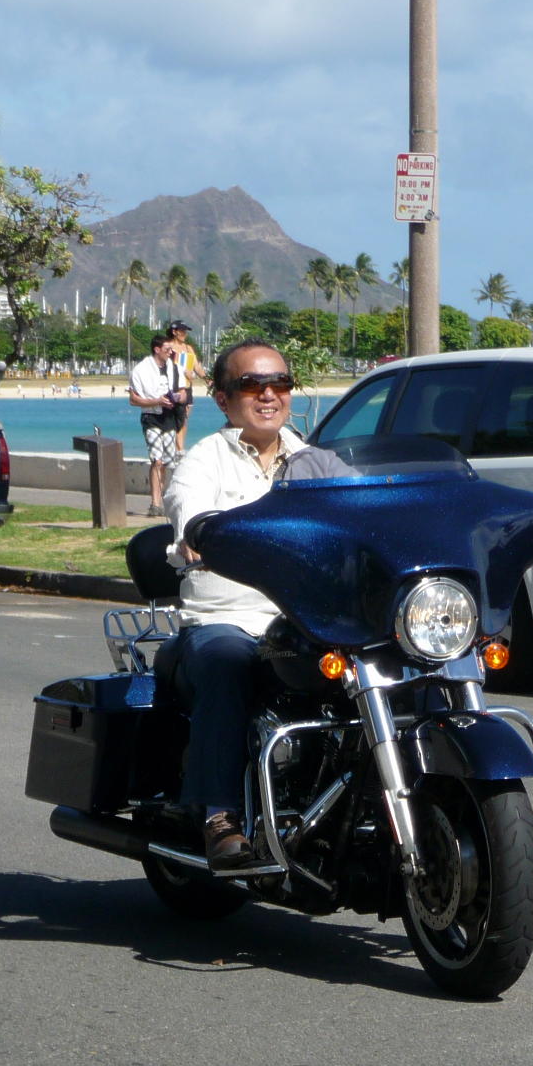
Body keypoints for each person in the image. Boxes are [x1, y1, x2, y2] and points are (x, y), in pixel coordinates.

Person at [156, 338, 311, 869]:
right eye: (251, 384)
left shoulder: (312, 461)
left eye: (279, 383)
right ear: (223, 399)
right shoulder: (204, 460)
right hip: (225, 622)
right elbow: (187, 505)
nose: (268, 394)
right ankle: (219, 813)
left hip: (304, 622)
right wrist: (198, 532)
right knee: (228, 663)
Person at [127, 333, 183, 515]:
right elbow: (134, 400)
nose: (170, 352)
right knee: (156, 460)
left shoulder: (174, 368)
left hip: (169, 417)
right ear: (157, 350)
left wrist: (177, 398)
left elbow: (183, 392)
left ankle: (161, 501)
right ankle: (155, 503)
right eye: (167, 349)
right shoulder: (141, 370)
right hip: (151, 417)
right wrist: (157, 401)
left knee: (166, 461)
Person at [166, 320, 206, 453]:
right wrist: (183, 371)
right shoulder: (168, 348)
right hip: (174, 387)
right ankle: (177, 448)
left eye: (185, 332)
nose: (184, 334)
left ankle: (180, 448)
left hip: (187, 387)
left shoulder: (188, 348)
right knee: (177, 418)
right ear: (174, 332)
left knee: (184, 419)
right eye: (182, 331)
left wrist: (208, 379)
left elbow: (197, 367)